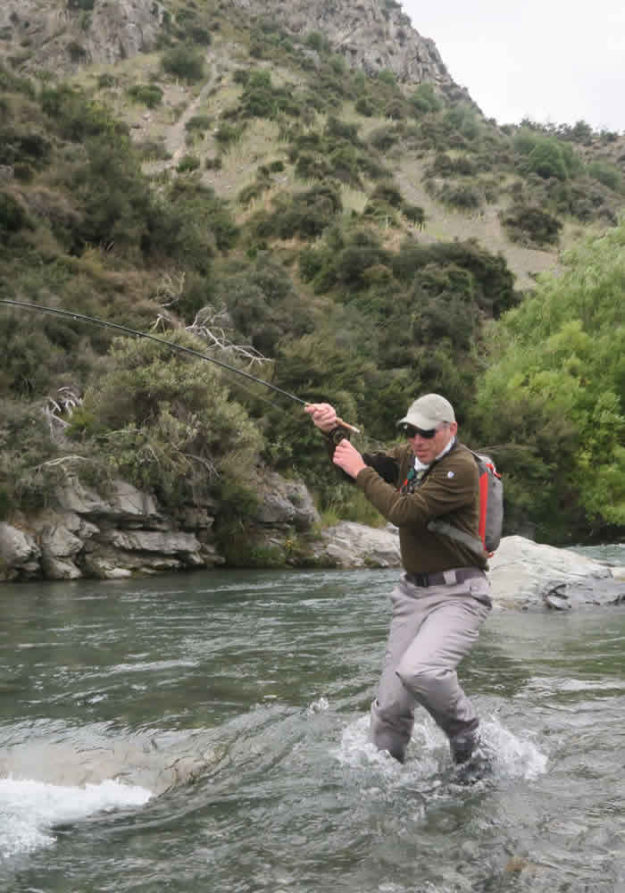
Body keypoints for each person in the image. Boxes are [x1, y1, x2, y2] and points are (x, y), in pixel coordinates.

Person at [306, 393, 491, 766]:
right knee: (389, 708)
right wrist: (331, 433)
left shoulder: (461, 468)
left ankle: (469, 740)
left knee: (420, 670)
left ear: (451, 429)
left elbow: (404, 512)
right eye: (410, 431)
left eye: (426, 432)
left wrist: (361, 470)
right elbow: (356, 465)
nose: (417, 440)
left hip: (460, 594)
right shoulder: (411, 457)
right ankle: (386, 777)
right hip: (412, 594)